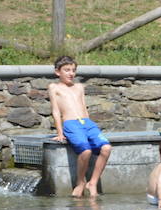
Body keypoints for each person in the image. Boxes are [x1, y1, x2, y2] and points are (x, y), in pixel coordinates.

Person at [48, 55, 113, 198]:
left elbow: (84, 107)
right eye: (67, 70)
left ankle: (93, 182)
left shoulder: (79, 87)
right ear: (57, 72)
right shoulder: (54, 87)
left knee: (106, 148)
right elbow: (56, 111)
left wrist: (90, 127)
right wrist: (60, 132)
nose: (71, 73)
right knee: (86, 151)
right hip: (71, 124)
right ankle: (80, 182)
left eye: (73, 70)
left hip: (87, 123)